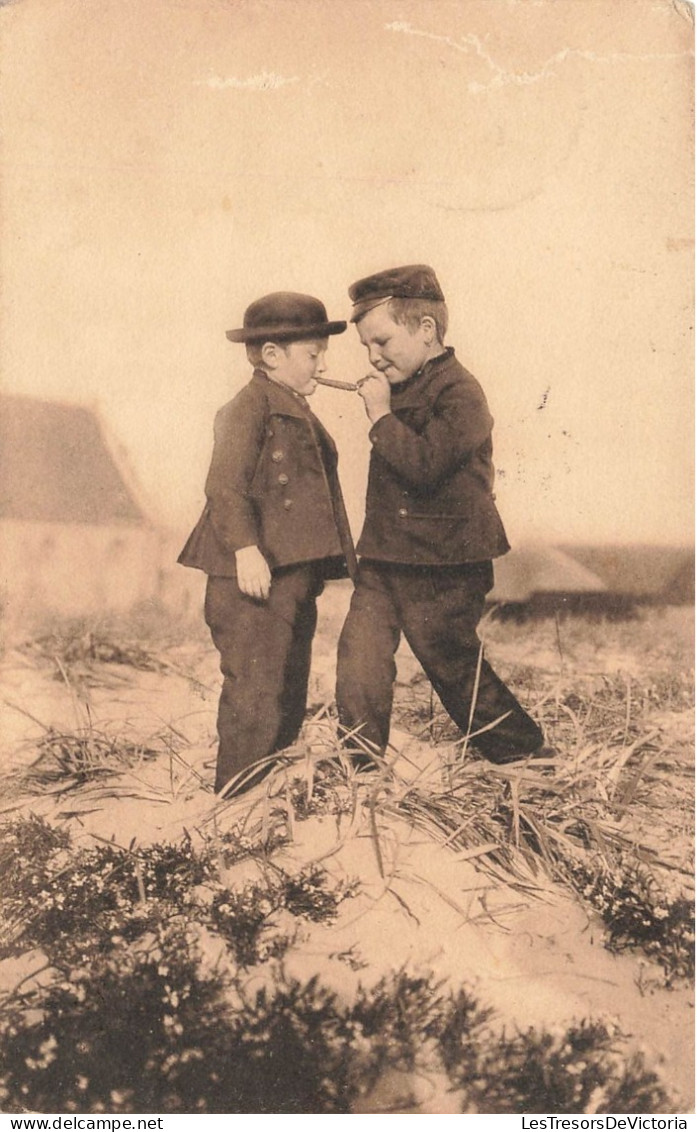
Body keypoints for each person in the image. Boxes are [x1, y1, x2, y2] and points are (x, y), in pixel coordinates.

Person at [335, 264, 553, 767]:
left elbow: (426, 466)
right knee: (360, 656)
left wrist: (380, 417)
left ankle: (525, 755)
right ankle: (360, 767)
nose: (373, 356)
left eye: (383, 341)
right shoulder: (406, 386)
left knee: (450, 662)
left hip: (446, 563)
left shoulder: (461, 393)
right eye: (366, 346)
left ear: (426, 330)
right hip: (387, 557)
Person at [179, 292, 356, 797]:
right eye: (313, 354)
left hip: (291, 577)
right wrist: (246, 550)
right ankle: (236, 800)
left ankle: (266, 789)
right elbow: (224, 486)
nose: (322, 364)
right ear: (273, 355)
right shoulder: (248, 407)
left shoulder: (289, 403)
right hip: (256, 578)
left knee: (287, 682)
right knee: (255, 688)